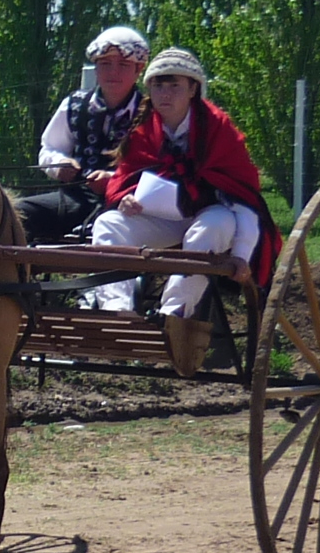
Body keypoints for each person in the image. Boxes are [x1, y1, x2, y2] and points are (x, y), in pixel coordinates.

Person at [89, 47, 277, 373]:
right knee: (108, 224)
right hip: (163, 218)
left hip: (212, 215)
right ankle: (118, 313)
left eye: (174, 85)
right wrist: (127, 198)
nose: (165, 93)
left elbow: (244, 199)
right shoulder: (144, 130)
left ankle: (174, 315)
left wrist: (243, 256)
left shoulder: (219, 130)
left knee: (214, 227)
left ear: (193, 89)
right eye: (158, 85)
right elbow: (126, 179)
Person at [17, 25, 149, 243]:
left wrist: (115, 180)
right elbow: (49, 148)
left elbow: (160, 169)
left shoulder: (151, 113)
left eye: (123, 65)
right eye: (105, 64)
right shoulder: (74, 104)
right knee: (19, 213)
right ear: (95, 68)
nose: (113, 72)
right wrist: (60, 165)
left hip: (129, 203)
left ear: (139, 69)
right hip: (76, 197)